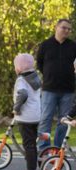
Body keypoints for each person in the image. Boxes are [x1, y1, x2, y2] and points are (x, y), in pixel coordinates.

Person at [36, 19, 76, 150]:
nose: (67, 31)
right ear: (56, 27)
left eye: (69, 29)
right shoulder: (45, 45)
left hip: (68, 90)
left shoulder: (73, 46)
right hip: (49, 89)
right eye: (64, 28)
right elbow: (40, 64)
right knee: (45, 120)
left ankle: (58, 149)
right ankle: (43, 148)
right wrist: (49, 76)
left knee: (64, 121)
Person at [12, 54, 42, 170]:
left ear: (19, 67)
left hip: (25, 117)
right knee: (33, 144)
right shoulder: (35, 77)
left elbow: (23, 94)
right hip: (36, 115)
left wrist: (16, 108)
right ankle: (38, 163)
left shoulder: (21, 80)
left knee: (28, 145)